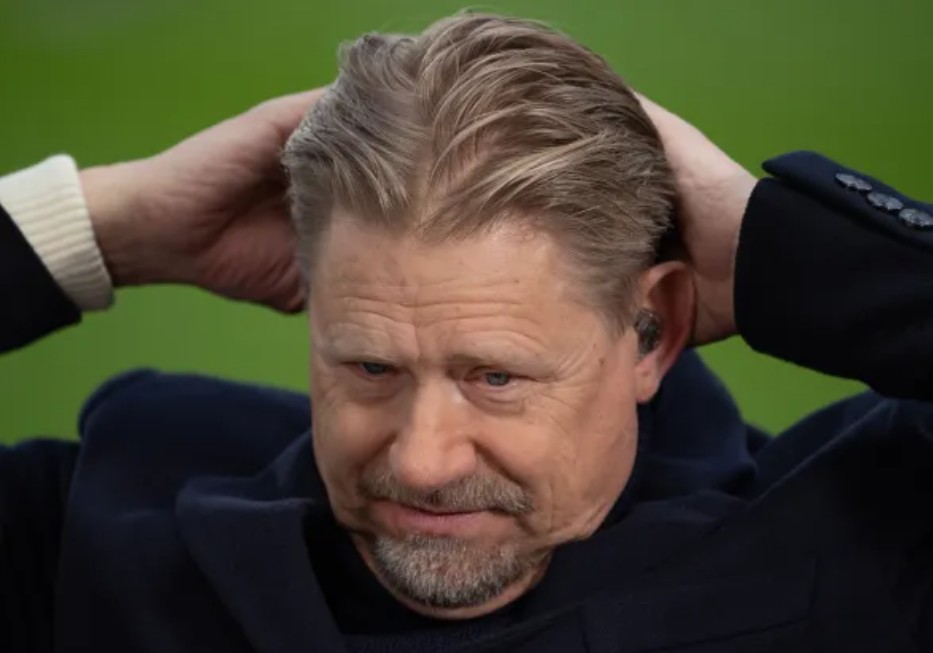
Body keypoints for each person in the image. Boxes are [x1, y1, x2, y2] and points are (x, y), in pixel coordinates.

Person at [2, 11, 931, 653]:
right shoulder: (105, 536)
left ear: (653, 333)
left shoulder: (851, 551)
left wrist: (774, 238)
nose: (422, 462)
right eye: (370, 366)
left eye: (495, 377)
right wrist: (95, 226)